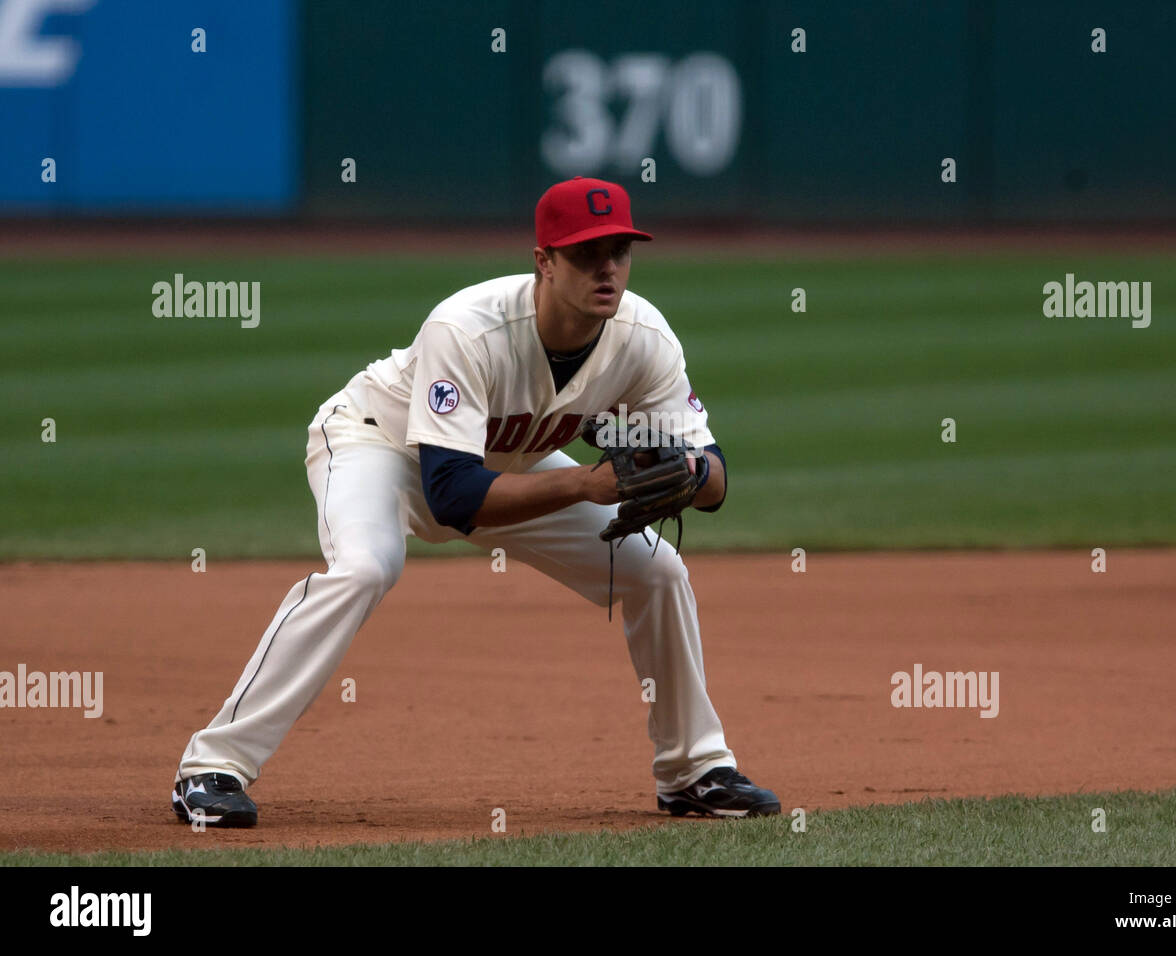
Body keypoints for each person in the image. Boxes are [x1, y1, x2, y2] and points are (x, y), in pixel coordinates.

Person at [170, 176, 779, 828]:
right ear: (544, 261)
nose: (607, 268)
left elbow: (715, 480)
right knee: (368, 566)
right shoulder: (469, 328)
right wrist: (583, 483)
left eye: (620, 251)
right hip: (382, 445)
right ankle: (212, 766)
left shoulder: (644, 338)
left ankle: (694, 773)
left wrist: (686, 469)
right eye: (586, 252)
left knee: (655, 569)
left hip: (503, 463)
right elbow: (453, 497)